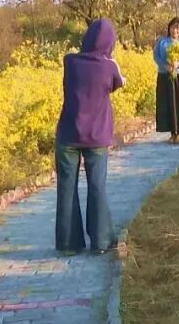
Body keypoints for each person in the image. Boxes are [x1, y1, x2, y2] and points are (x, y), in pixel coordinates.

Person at [54, 18, 125, 254]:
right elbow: (117, 84)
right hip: (96, 136)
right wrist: (111, 61)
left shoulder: (70, 61)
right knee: (97, 186)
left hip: (68, 134)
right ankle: (101, 242)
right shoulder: (109, 66)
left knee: (66, 188)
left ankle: (68, 244)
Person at [153, 17, 179, 144]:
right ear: (169, 28)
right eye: (173, 27)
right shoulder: (162, 41)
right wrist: (166, 66)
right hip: (164, 75)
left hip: (178, 77)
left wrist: (178, 64)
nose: (175, 30)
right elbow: (156, 57)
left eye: (178, 28)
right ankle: (172, 133)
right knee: (167, 104)